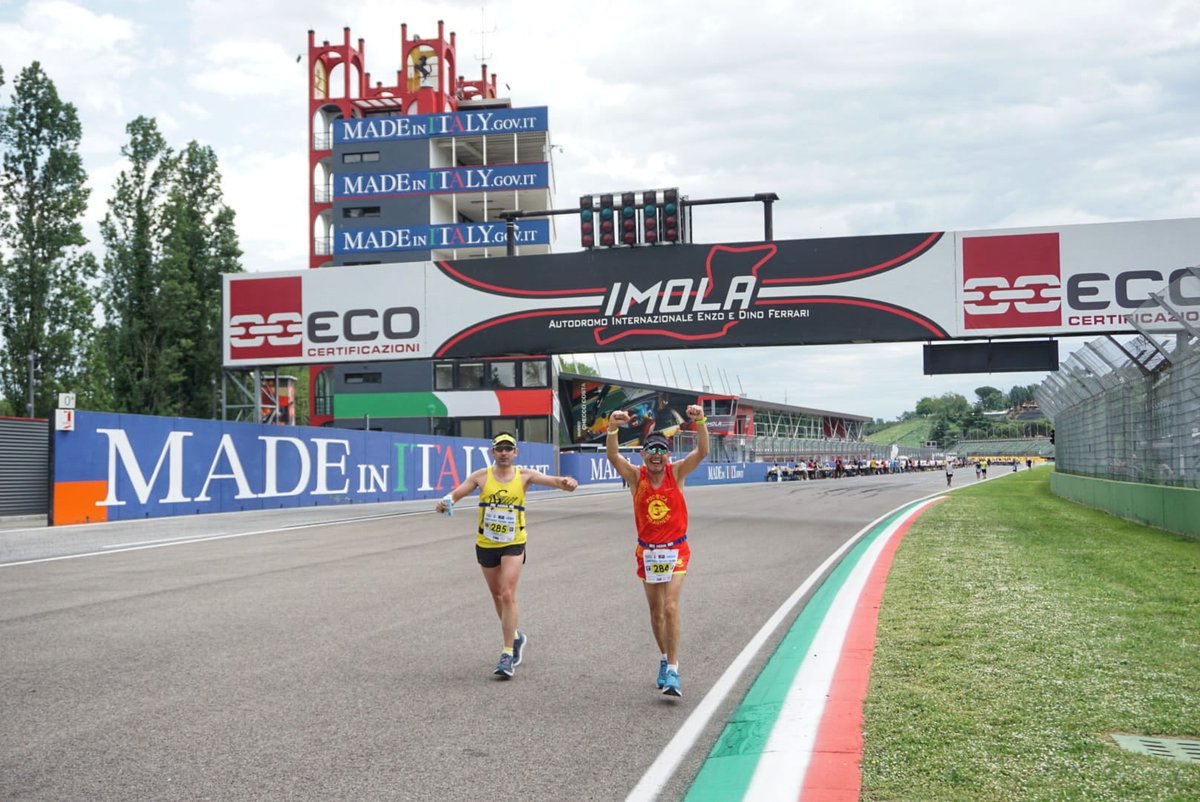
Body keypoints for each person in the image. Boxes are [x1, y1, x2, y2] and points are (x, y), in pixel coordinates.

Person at [436, 432, 579, 679]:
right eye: (499, 448)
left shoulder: (525, 476)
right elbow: (455, 495)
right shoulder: (481, 476)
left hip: (514, 541)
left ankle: (506, 653)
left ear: (515, 453)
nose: (504, 452)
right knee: (496, 595)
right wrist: (444, 502)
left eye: (508, 448)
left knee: (507, 592)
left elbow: (555, 481)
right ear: (493, 452)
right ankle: (515, 636)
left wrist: (567, 482)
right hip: (486, 542)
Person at [605, 404, 709, 698]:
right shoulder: (636, 478)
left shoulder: (677, 473)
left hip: (676, 550)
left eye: (661, 450)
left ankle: (674, 671)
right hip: (648, 554)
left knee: (671, 607)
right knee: (656, 614)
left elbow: (701, 451)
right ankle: (664, 659)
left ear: (668, 455)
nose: (656, 455)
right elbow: (613, 455)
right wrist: (613, 428)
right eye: (651, 449)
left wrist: (700, 420)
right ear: (643, 454)